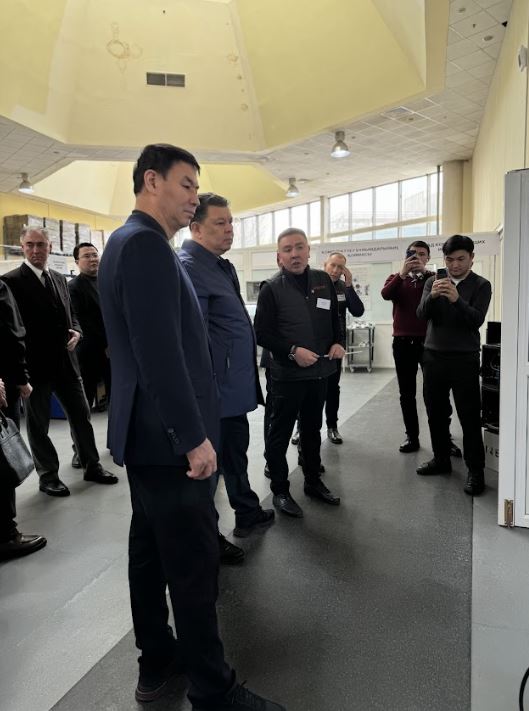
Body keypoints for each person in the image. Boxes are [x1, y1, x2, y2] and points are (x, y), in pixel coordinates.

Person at [98, 143, 285, 711]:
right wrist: (193, 438)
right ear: (151, 181)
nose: (194, 198)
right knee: (193, 565)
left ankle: (157, 661)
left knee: (150, 553)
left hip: (147, 438)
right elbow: (159, 354)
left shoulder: (126, 242)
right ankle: (212, 688)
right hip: (169, 441)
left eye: (197, 188)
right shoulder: (146, 247)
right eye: (186, 185)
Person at [180, 193, 274, 560]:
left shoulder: (220, 265)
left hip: (233, 387)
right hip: (213, 392)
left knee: (235, 454)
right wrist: (207, 391)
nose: (229, 229)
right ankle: (208, 541)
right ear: (196, 228)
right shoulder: (190, 267)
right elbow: (194, 338)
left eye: (231, 222)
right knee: (210, 470)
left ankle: (246, 510)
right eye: (220, 223)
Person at [2, 228, 117, 497]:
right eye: (30, 245)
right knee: (38, 426)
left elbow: (71, 314)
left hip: (67, 363)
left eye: (41, 245)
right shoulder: (11, 281)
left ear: (50, 247)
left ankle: (92, 465)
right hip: (35, 368)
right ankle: (48, 476)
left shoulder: (58, 278)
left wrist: (76, 331)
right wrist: (19, 374)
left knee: (81, 416)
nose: (36, 250)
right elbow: (9, 329)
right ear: (22, 247)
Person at [254, 228, 345, 518]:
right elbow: (261, 334)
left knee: (311, 430)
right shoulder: (271, 288)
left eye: (299, 247)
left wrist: (338, 342)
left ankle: (312, 481)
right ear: (279, 257)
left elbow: (335, 318)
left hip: (319, 372)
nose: (294, 254)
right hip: (286, 377)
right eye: (287, 249)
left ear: (308, 250)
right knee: (279, 435)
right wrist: (293, 351)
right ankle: (280, 490)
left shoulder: (323, 280)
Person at [416, 234, 492, 496]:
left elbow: (476, 320)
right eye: (449, 259)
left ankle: (476, 470)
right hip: (433, 357)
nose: (455, 265)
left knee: (469, 417)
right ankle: (441, 460)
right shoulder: (432, 282)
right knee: (435, 413)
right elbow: (421, 314)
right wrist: (433, 296)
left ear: (472, 258)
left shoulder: (481, 285)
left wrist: (456, 299)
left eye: (461, 259)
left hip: (464, 359)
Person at [381, 240, 462, 457]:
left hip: (430, 343)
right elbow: (386, 294)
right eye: (412, 253)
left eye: (421, 254)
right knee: (406, 393)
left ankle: (444, 438)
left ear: (428, 258)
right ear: (405, 256)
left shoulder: (434, 279)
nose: (416, 257)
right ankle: (412, 436)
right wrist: (402, 273)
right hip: (402, 342)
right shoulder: (396, 278)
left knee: (436, 394)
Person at [0, 281, 46, 562]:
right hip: (4, 384)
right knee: (3, 455)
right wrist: (21, 377)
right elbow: (10, 333)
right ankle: (6, 535)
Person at [68, 242, 111, 469]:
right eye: (86, 256)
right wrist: (105, 344)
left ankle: (116, 442)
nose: (93, 259)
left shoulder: (107, 282)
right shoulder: (73, 287)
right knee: (83, 408)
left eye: (95, 255)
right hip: (88, 355)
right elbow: (81, 322)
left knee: (117, 401)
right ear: (77, 262)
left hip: (113, 354)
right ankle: (80, 451)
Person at [322, 251, 364, 443]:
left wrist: (349, 285)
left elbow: (358, 311)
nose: (336, 270)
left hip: (336, 346)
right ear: (325, 265)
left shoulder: (342, 288)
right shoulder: (313, 284)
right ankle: (301, 428)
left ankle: (332, 427)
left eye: (340, 267)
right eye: (333, 265)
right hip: (314, 346)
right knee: (308, 390)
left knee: (332, 389)